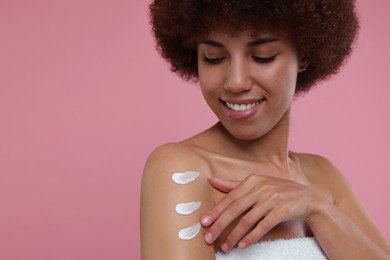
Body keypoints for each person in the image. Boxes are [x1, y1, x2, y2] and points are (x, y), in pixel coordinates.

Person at [140, 0, 390, 259]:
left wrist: (316, 209)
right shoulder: (181, 169)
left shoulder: (324, 178)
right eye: (214, 58)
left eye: (262, 56)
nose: (235, 82)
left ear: (303, 54)